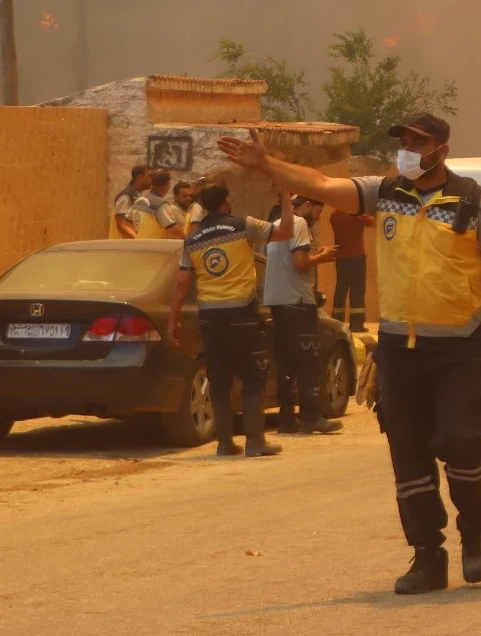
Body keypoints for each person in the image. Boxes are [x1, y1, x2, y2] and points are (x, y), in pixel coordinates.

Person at [217, 111, 481, 596]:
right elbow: (319, 182)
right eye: (402, 139)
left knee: (463, 442)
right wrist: (266, 164)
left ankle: (474, 531)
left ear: (440, 149)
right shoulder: (385, 191)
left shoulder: (472, 201)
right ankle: (428, 556)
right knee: (408, 453)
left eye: (417, 140)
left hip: (459, 352)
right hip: (400, 352)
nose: (406, 147)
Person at [164, 181, 280, 458]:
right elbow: (284, 232)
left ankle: (225, 444)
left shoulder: (192, 239)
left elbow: (182, 282)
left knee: (219, 381)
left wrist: (173, 320)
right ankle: (255, 442)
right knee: (253, 378)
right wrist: (286, 198)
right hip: (243, 315)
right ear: (227, 201)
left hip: (211, 318)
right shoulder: (243, 225)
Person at [264, 195, 339, 435]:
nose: (317, 218)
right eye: (317, 212)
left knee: (286, 362)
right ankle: (310, 417)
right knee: (309, 362)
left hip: (277, 301)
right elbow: (300, 262)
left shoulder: (277, 224)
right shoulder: (299, 224)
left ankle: (286, 419)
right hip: (297, 301)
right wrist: (323, 257)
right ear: (307, 206)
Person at [323, 190, 371, 332]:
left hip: (341, 256)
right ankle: (357, 324)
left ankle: (336, 321)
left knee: (341, 288)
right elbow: (372, 222)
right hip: (357, 257)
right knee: (358, 290)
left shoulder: (334, 215)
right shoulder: (357, 216)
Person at [132, 169, 183, 240]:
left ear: (152, 183)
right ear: (168, 184)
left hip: (138, 245)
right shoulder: (161, 204)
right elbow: (173, 230)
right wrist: (188, 241)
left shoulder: (139, 200)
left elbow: (127, 221)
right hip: (155, 247)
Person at [112, 165, 155, 238]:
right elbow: (122, 225)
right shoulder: (126, 196)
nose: (152, 179)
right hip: (124, 246)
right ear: (140, 177)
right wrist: (138, 241)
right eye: (150, 176)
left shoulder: (138, 196)